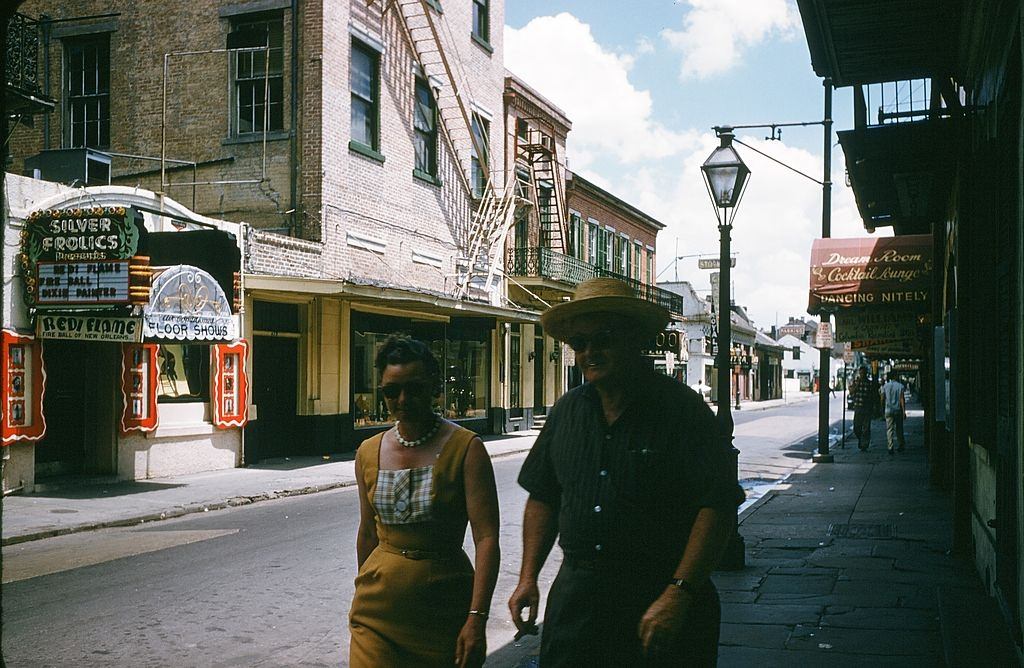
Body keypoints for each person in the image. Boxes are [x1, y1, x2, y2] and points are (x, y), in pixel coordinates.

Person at [508, 277, 744, 667]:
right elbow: (544, 496)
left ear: (634, 337)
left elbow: (716, 506)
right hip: (578, 603)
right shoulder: (566, 412)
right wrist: (528, 577)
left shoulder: (682, 411)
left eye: (603, 338)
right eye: (579, 344)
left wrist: (679, 593)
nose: (589, 352)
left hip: (659, 598)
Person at [349, 335, 500, 668]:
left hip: (444, 614)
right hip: (377, 616)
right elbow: (367, 533)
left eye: (414, 388)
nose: (403, 399)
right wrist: (365, 586)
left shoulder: (466, 448)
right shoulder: (368, 453)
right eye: (392, 391)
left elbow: (486, 538)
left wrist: (476, 618)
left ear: (434, 387)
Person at [879, 373, 906, 455]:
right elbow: (902, 399)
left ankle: (890, 446)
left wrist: (882, 409)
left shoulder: (885, 386)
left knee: (889, 429)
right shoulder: (900, 386)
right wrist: (904, 411)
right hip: (897, 410)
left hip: (888, 410)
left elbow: (882, 398)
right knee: (899, 428)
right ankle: (901, 445)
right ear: (895, 376)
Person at [850, 367, 875, 451]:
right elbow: (851, 392)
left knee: (866, 428)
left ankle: (864, 444)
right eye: (861, 373)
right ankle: (861, 439)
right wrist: (856, 384)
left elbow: (873, 396)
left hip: (867, 408)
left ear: (866, 374)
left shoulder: (869, 383)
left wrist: (873, 407)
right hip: (858, 407)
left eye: (863, 373)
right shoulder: (856, 382)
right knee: (856, 427)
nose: (862, 375)